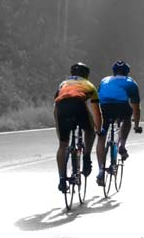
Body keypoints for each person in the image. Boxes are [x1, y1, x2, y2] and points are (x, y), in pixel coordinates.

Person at [53, 62, 102, 192]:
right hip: (78, 105)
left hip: (61, 109)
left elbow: (56, 107)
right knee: (90, 130)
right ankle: (86, 157)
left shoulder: (63, 84)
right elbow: (96, 111)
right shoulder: (89, 85)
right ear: (87, 75)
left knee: (62, 145)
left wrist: (58, 129)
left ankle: (62, 179)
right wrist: (98, 128)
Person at [95, 60, 142, 186]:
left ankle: (100, 171)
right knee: (127, 119)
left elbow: (99, 97)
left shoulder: (104, 80)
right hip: (121, 107)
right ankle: (121, 145)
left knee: (101, 137)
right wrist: (136, 125)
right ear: (127, 72)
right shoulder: (131, 83)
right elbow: (136, 109)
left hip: (104, 107)